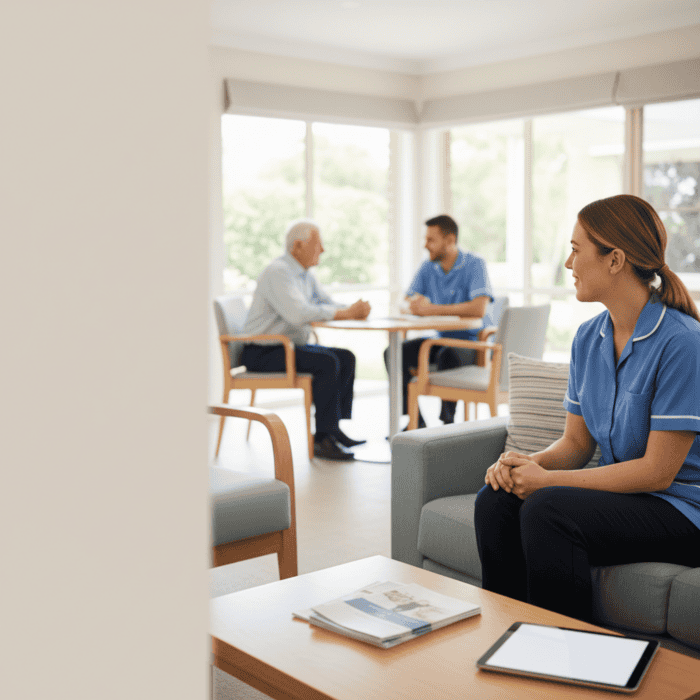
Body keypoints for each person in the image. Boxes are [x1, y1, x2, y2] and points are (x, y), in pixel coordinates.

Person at [474, 194, 700, 624]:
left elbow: (657, 472)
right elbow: (576, 444)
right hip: (631, 499)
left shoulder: (682, 342)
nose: (568, 264)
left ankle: (564, 661)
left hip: (683, 510)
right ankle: (505, 638)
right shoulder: (588, 337)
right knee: (495, 498)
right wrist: (523, 465)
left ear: (615, 260)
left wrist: (546, 483)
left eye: (576, 251)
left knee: (548, 509)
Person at [241, 219, 371, 461]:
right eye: (318, 244)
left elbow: (326, 303)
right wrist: (346, 313)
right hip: (263, 352)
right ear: (298, 246)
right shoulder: (278, 272)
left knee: (345, 357)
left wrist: (352, 308)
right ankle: (322, 439)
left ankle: (332, 429)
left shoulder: (304, 276)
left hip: (287, 347)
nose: (323, 250)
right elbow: (298, 314)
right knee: (327, 362)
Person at [385, 214, 493, 428]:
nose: (426, 245)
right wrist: (413, 305)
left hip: (473, 344)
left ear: (450, 240)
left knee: (447, 355)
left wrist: (430, 309)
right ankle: (415, 421)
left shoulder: (474, 264)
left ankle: (447, 425)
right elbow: (407, 300)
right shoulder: (428, 267)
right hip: (439, 339)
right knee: (394, 353)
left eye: (431, 240)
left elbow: (478, 308)